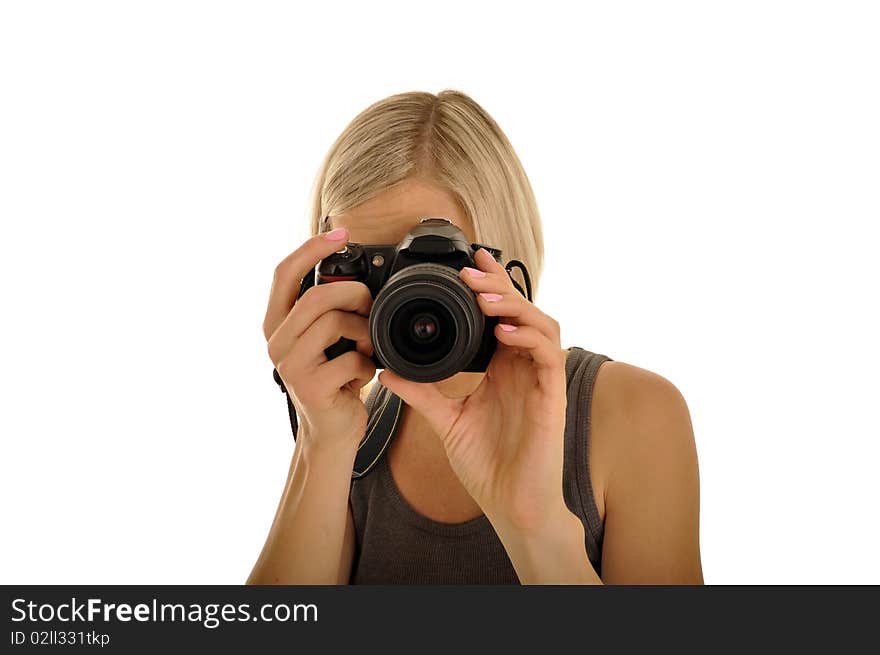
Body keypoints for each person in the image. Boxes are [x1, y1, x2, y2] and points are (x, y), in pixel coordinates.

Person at [248, 90, 703, 584]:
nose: (407, 300)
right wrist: (322, 439)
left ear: (504, 258)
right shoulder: (354, 428)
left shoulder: (634, 413)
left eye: (424, 263)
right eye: (378, 269)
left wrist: (533, 525)